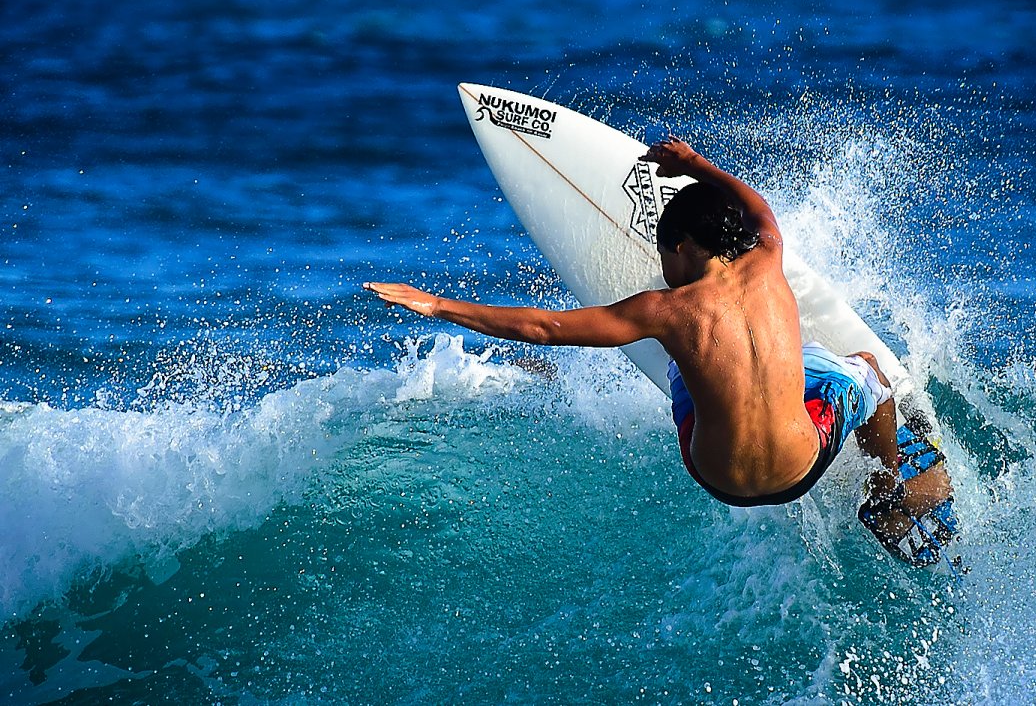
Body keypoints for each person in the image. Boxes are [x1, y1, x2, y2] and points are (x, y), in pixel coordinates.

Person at [365, 138, 950, 549]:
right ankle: (883, 489)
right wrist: (695, 164)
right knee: (866, 371)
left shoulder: (665, 312)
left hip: (716, 474)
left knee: (688, 362)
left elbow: (541, 327)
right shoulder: (769, 256)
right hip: (804, 464)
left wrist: (437, 303)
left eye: (663, 252)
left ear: (682, 248)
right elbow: (759, 210)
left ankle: (718, 384)